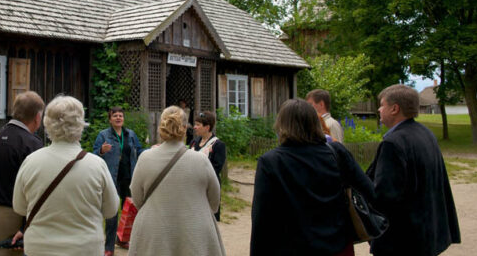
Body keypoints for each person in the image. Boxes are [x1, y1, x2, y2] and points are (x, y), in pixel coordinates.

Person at [250, 99, 373, 256]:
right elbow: (369, 190)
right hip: (337, 244)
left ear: (282, 125)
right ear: (315, 122)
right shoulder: (336, 153)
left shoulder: (271, 161)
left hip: (292, 247)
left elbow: (262, 218)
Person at [13, 95, 119, 255]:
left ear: (46, 123)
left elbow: (19, 206)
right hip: (84, 248)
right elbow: (111, 209)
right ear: (81, 124)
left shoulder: (31, 161)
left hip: (40, 248)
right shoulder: (96, 165)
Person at [366, 84, 460, 255]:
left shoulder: (393, 143)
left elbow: (385, 195)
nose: (379, 109)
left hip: (402, 241)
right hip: (426, 234)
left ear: (394, 109)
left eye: (382, 105)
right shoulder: (425, 133)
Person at [128, 106, 225, 256]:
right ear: (185, 128)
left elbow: (137, 198)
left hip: (154, 233)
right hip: (194, 232)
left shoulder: (145, 158)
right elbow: (214, 201)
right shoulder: (201, 160)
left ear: (161, 127)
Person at [0, 91, 44, 256]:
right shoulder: (32, 144)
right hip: (11, 213)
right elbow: (35, 186)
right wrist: (24, 225)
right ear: (37, 117)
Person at [92, 106, 145, 255]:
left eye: (120, 115)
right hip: (112, 178)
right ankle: (109, 247)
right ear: (110, 119)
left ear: (123, 118)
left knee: (129, 212)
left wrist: (152, 150)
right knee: (112, 212)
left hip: (129, 178)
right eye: (115, 115)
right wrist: (101, 151)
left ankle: (122, 239)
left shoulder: (131, 134)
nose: (118, 118)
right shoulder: (103, 135)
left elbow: (139, 151)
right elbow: (94, 154)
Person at [189, 110, 226, 221]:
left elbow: (216, 168)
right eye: (195, 124)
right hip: (192, 186)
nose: (195, 127)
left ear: (207, 127)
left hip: (208, 186)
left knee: (208, 219)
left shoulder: (218, 145)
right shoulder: (194, 142)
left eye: (198, 125)